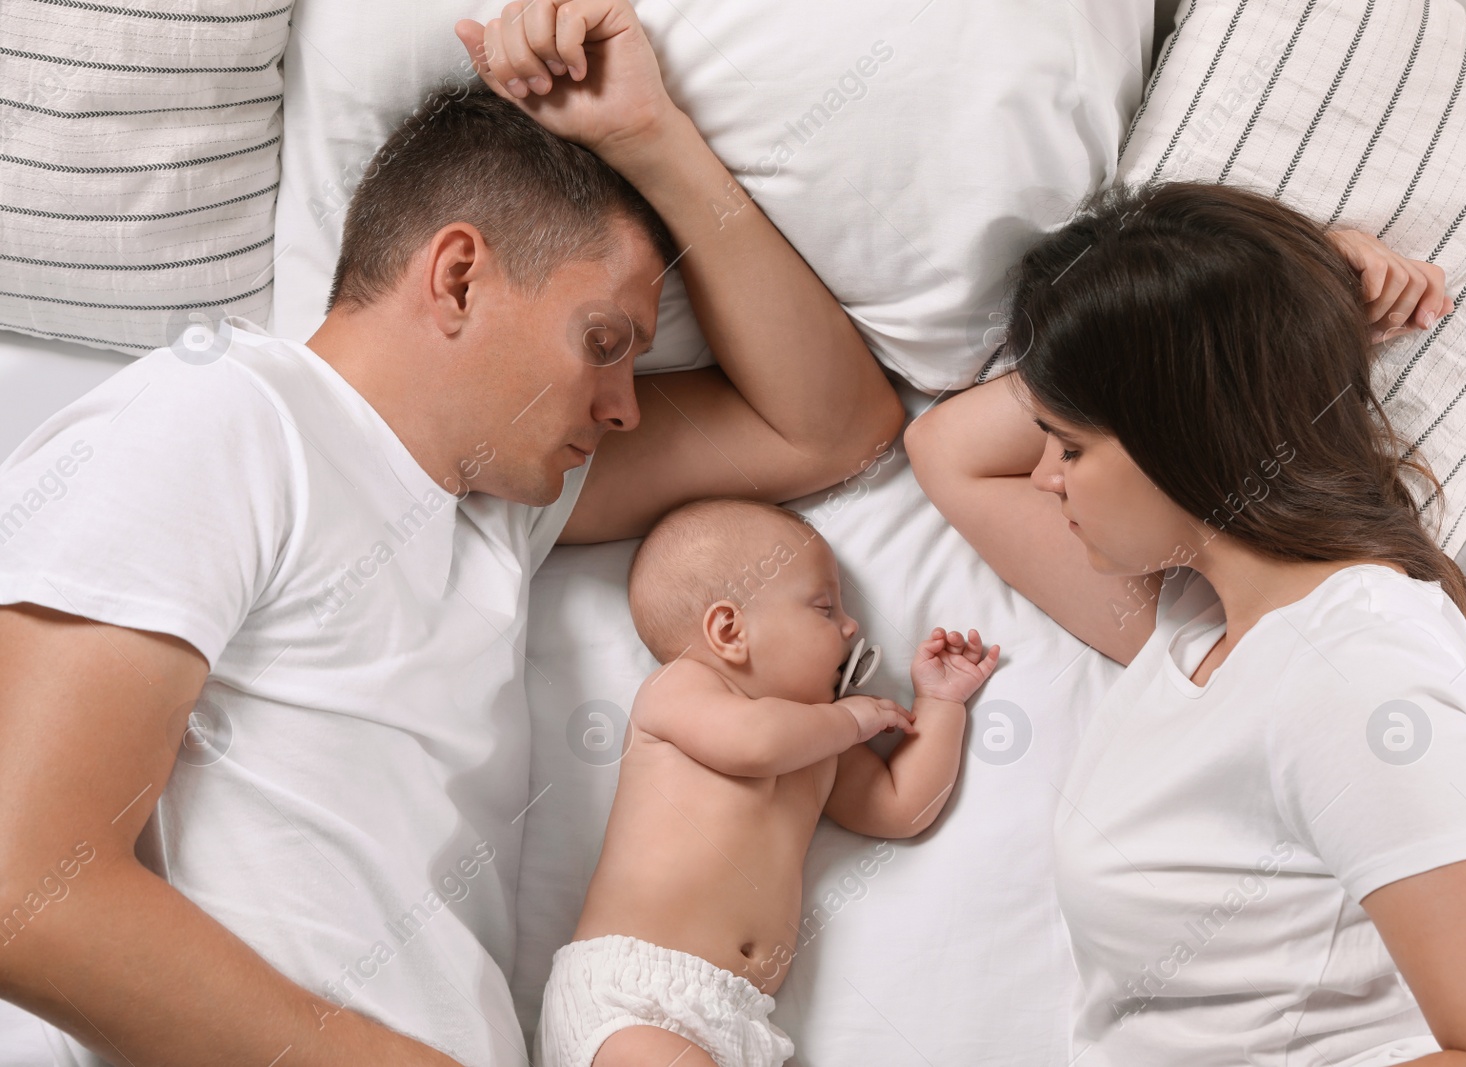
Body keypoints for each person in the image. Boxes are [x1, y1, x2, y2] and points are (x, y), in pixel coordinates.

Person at [0, 1, 903, 1063]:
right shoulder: (225, 412)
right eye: (604, 341)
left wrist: (647, 137)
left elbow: (835, 428)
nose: (624, 404)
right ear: (460, 275)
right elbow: (27, 892)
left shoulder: (497, 516)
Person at [905, 180, 1466, 1064]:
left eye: (1070, 445)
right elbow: (947, 450)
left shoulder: (1355, 671)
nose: (1047, 475)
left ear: (1182, 431)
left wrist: (1251, 334)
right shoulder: (1195, 621)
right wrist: (1280, 318)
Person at [535, 497, 997, 1067]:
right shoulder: (681, 687)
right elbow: (753, 745)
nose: (852, 628)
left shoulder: (820, 746)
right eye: (824, 608)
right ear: (730, 630)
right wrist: (848, 719)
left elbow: (902, 807)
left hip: (738, 1017)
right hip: (636, 994)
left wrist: (941, 704)